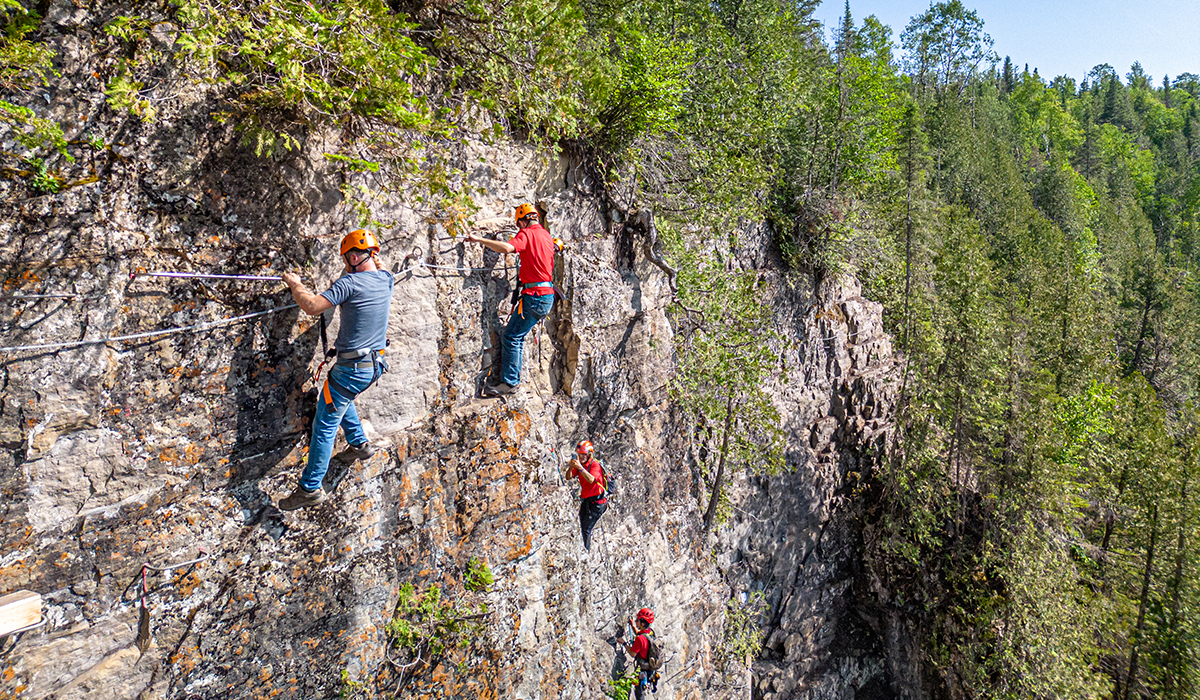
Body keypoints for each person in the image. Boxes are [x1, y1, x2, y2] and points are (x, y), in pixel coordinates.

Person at [277, 229, 393, 510]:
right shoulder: (386, 279)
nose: (344, 264)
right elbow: (379, 265)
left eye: (345, 259)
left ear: (353, 257)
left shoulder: (349, 285)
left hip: (352, 369)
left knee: (325, 424)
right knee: (338, 398)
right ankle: (360, 445)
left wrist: (296, 285)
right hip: (372, 365)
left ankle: (310, 487)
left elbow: (312, 306)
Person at [464, 203, 555, 396]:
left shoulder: (527, 234)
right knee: (516, 335)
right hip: (545, 295)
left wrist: (479, 240)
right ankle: (511, 379)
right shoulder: (546, 235)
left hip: (535, 296)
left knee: (512, 336)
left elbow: (507, 247)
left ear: (522, 221)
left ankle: (510, 383)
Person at [564, 440, 607, 550]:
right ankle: (583, 549)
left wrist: (580, 468)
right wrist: (570, 467)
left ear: (589, 454)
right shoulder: (580, 466)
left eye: (583, 455)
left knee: (586, 528)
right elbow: (568, 477)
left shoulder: (594, 465)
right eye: (579, 455)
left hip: (597, 504)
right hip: (587, 501)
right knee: (581, 524)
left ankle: (586, 551)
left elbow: (591, 479)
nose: (581, 457)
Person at [623, 607, 660, 699]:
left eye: (637, 620)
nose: (635, 621)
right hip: (650, 668)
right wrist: (632, 626)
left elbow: (632, 653)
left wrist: (623, 643)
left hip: (642, 670)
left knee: (639, 695)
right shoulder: (650, 633)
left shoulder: (640, 639)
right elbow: (640, 633)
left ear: (643, 623)